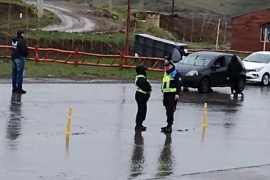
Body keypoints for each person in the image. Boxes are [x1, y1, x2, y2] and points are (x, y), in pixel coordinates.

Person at [161, 60, 182, 133]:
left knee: (170, 110)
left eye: (167, 66)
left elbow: (179, 84)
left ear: (171, 65)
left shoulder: (176, 74)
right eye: (165, 66)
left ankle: (169, 126)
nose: (166, 67)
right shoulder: (166, 74)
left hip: (173, 94)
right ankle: (167, 125)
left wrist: (177, 94)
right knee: (167, 110)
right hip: (166, 94)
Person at [134, 65, 152, 131]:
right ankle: (138, 125)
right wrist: (149, 89)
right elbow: (145, 87)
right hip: (141, 96)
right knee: (141, 111)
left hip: (141, 95)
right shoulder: (141, 78)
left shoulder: (141, 77)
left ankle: (139, 124)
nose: (145, 71)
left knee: (142, 110)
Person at [11, 29, 28, 94]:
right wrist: (25, 55)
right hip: (20, 57)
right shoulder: (21, 41)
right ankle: (19, 88)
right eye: (23, 33)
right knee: (20, 74)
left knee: (14, 74)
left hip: (14, 57)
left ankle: (14, 88)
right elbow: (24, 50)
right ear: (21, 34)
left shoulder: (14, 40)